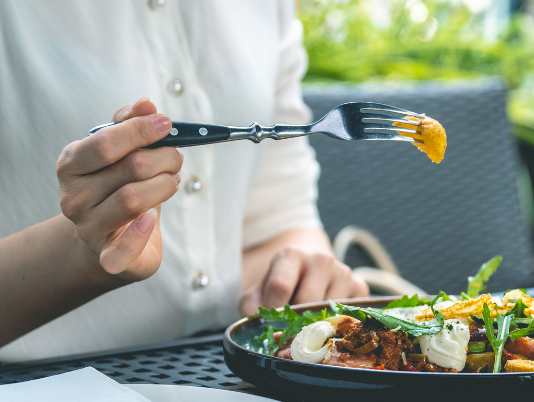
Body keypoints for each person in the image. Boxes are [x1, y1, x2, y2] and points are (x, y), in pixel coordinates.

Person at [0, 0, 368, 363]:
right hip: (29, 390)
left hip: (226, 376)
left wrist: (302, 275)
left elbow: (279, 221)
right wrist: (81, 255)